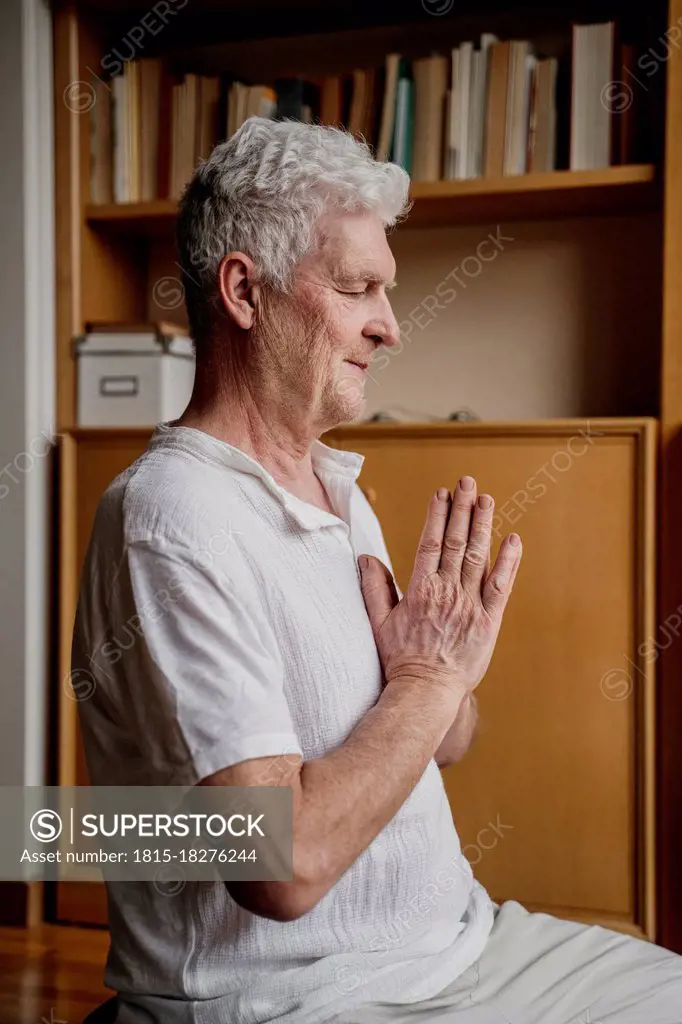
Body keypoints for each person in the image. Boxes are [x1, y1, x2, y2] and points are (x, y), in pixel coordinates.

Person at [73, 117, 682, 1024]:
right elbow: (280, 864)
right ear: (244, 291)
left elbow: (446, 738)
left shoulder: (334, 487)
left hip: (464, 941)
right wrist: (430, 679)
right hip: (299, 997)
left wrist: (439, 678)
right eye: (358, 287)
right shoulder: (172, 515)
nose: (390, 328)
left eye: (386, 292)